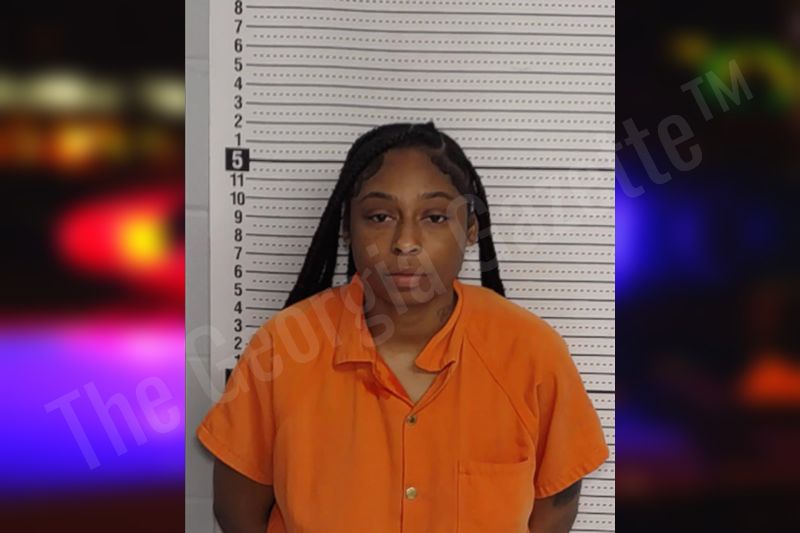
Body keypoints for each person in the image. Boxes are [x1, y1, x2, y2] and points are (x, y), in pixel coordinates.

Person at [196, 121, 609, 533]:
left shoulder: (531, 351)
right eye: (379, 216)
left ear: (470, 229)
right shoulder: (280, 350)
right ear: (347, 227)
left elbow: (554, 509)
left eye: (434, 217)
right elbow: (237, 511)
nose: (406, 241)